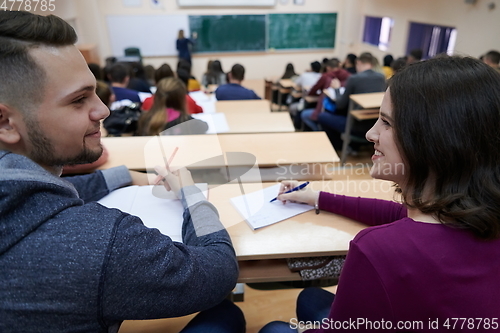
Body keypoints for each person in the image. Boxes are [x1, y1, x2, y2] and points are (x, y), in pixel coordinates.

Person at [0, 11, 243, 333]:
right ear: (6, 122)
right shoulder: (104, 244)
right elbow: (219, 271)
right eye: (78, 100)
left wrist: (126, 174)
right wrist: (191, 192)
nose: (103, 110)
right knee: (228, 316)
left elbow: (53, 192)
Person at [259, 56, 500, 333]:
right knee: (311, 298)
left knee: (274, 328)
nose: (372, 133)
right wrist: (316, 198)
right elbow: (394, 213)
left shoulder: (378, 250)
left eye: (386, 122)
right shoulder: (471, 211)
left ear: (435, 139)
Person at [317, 52, 386, 151]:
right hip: (375, 125)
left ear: (358, 62)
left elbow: (340, 105)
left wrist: (336, 89)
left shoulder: (354, 78)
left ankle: (339, 146)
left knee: (322, 116)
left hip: (356, 125)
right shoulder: (381, 77)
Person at [136, 77, 208, 136]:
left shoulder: (144, 120)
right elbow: (204, 126)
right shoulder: (191, 123)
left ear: (156, 97)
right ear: (182, 99)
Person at [300, 59, 351, 131]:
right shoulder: (349, 77)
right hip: (344, 114)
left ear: (328, 68)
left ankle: (318, 132)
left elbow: (312, 91)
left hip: (329, 110)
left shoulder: (325, 77)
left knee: (304, 114)